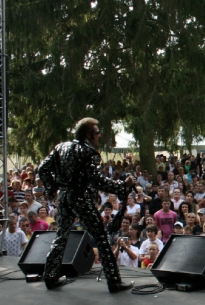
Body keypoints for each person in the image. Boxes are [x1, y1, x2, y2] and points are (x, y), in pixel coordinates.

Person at [37, 117, 134, 292]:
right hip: (80, 197)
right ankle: (114, 281)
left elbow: (42, 168)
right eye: (97, 132)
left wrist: (52, 188)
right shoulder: (88, 152)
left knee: (61, 236)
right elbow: (98, 181)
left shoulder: (61, 147)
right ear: (88, 134)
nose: (99, 136)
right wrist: (123, 186)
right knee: (102, 238)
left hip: (64, 196)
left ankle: (50, 276)